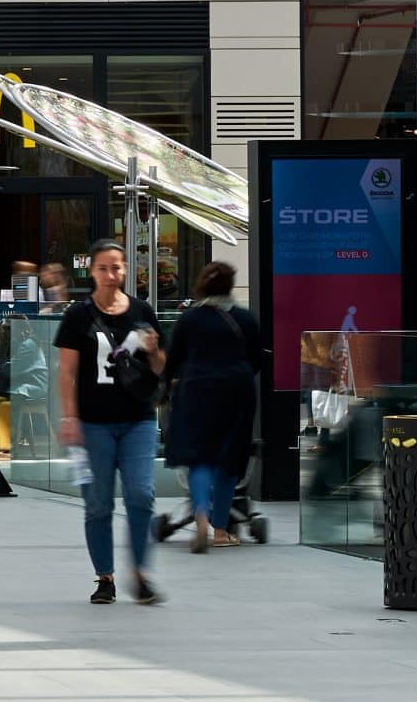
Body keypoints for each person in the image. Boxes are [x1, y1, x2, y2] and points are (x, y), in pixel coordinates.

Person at [54, 240, 164, 605]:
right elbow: (67, 372)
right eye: (103, 267)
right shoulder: (77, 316)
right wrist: (70, 417)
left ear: (125, 269)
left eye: (116, 267)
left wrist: (154, 351)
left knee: (141, 495)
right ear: (92, 271)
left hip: (138, 420)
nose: (110, 274)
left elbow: (163, 368)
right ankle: (105, 576)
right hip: (93, 423)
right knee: (98, 503)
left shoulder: (143, 311)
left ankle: (141, 573)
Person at [163, 260, 267, 554]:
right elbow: (256, 361)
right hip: (236, 391)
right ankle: (220, 531)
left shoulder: (189, 319)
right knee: (229, 460)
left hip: (196, 391)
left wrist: (165, 387)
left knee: (201, 459)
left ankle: (199, 516)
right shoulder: (246, 319)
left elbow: (173, 360)